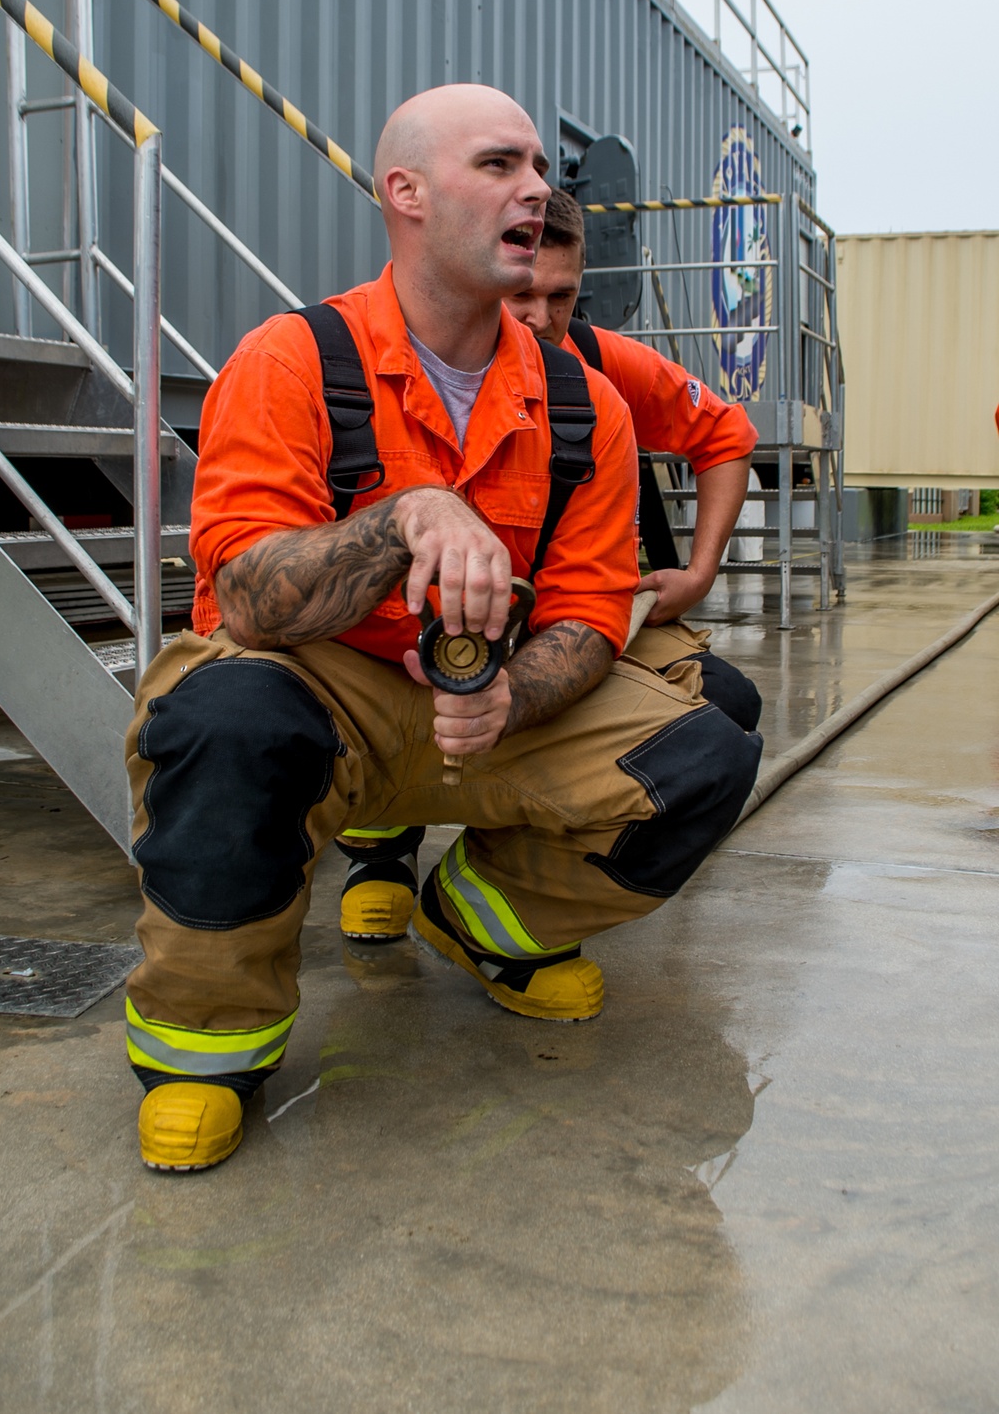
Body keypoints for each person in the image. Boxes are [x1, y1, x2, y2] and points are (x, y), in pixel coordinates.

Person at [124, 85, 762, 1172]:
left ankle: (480, 919)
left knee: (706, 747)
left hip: (494, 708)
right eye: (499, 165)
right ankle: (206, 1050)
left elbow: (589, 611)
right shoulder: (290, 361)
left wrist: (518, 694)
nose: (536, 188)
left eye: (538, 169)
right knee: (220, 721)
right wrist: (406, 517)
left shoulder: (586, 405)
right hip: (332, 693)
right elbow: (246, 602)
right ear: (404, 193)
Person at [339, 188, 762, 942]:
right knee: (373, 685)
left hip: (564, 613)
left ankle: (490, 886)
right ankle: (379, 852)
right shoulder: (381, 360)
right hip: (415, 626)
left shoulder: (594, 371)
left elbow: (725, 434)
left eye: (560, 297)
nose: (537, 317)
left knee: (724, 712)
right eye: (522, 293)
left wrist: (698, 573)